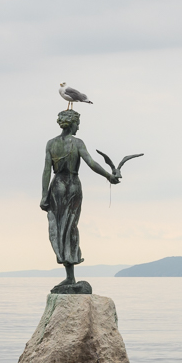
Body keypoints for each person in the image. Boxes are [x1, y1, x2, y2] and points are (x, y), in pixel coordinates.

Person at [41, 110, 120, 288]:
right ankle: (70, 277)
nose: (79, 127)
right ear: (73, 123)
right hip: (72, 186)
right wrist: (109, 176)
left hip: (56, 187)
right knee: (70, 228)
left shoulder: (50, 143)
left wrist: (44, 194)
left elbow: (47, 170)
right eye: (78, 123)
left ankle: (69, 275)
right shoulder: (77, 143)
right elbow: (91, 163)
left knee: (60, 228)